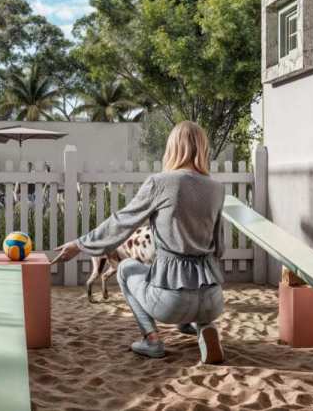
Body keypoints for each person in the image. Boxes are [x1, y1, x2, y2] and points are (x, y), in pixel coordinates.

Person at [51, 121, 226, 363]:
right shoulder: (217, 188)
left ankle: (152, 340)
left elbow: (122, 222)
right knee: (192, 286)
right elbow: (220, 248)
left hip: (172, 303)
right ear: (203, 148)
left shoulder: (160, 182)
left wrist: (79, 244)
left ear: (173, 147)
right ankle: (203, 326)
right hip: (213, 300)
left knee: (125, 269)